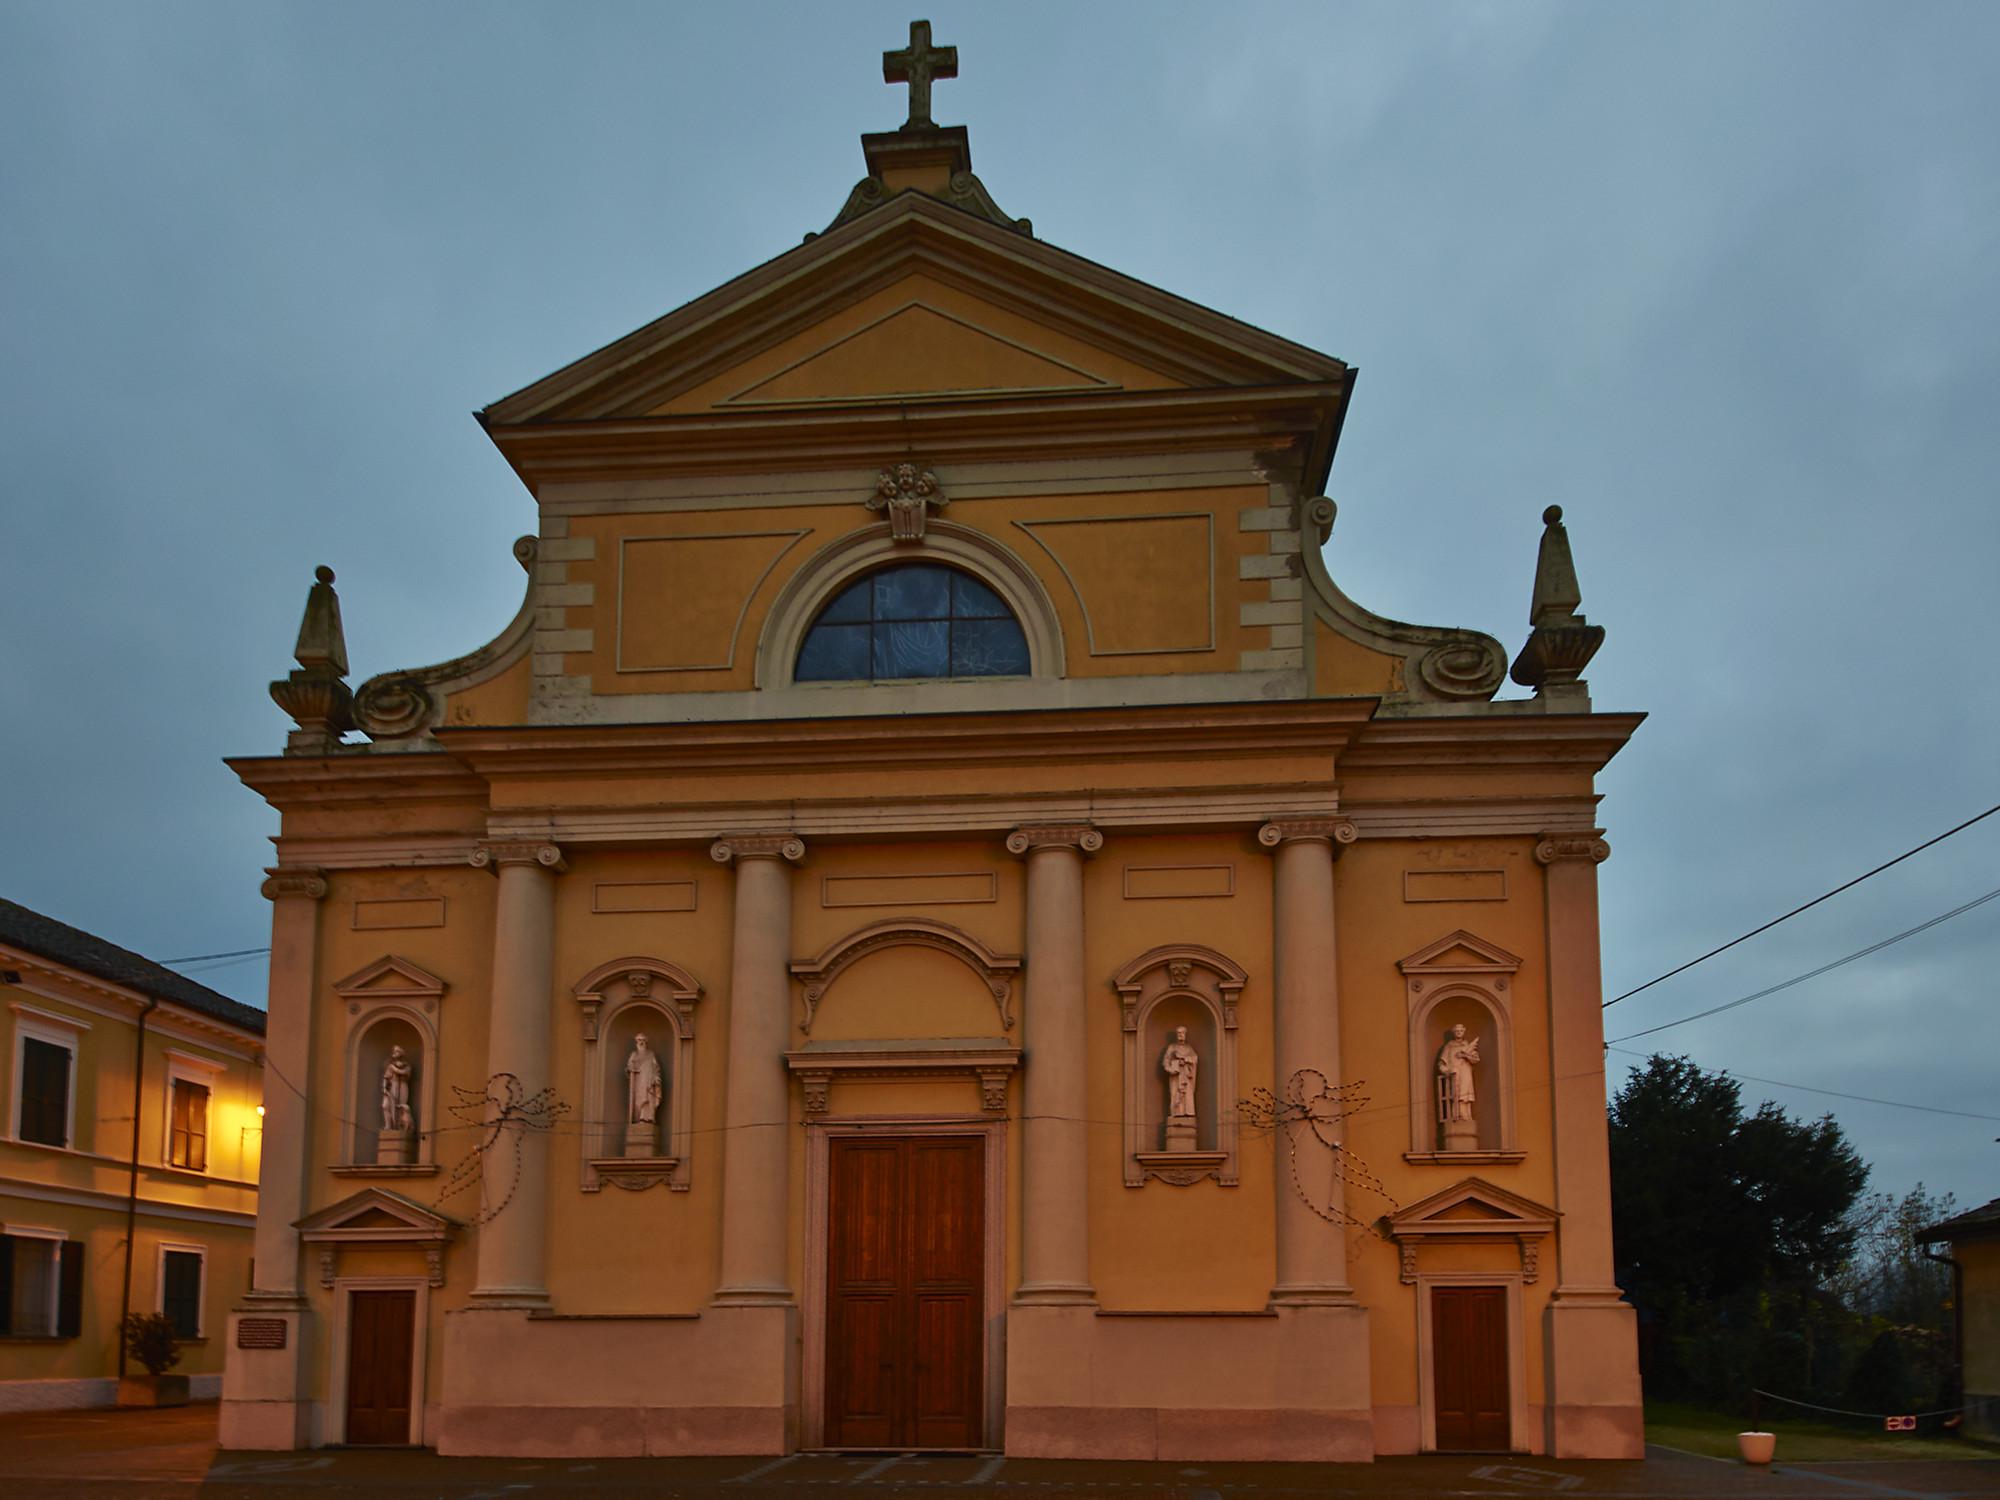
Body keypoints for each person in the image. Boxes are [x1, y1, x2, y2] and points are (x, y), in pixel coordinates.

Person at [1435, 1023, 1481, 1122]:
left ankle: (1467, 1115)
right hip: (1454, 1074)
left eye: (1460, 1031)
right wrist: (1447, 1071)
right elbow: (1441, 1064)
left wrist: (1465, 1055)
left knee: (1465, 1095)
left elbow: (1476, 1059)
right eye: (1457, 1031)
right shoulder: (1449, 1046)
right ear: (1454, 1032)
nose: (1459, 1033)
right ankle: (1457, 1115)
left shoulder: (1467, 1045)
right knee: (1456, 1094)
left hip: (1466, 1073)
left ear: (1463, 1032)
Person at [1162, 1025, 1199, 1118]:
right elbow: (1166, 1061)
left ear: (1185, 1034)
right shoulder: (1172, 1047)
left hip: (1186, 1076)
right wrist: (1171, 1069)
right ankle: (1176, 1113)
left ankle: (1188, 1112)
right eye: (1179, 1033)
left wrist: (1185, 1059)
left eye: (1182, 1033)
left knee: (1188, 1095)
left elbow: (1195, 1059)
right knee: (1175, 1093)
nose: (1180, 1035)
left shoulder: (1189, 1048)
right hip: (1176, 1076)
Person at [627, 1034, 663, 1125]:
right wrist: (631, 1069)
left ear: (646, 1042)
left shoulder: (651, 1054)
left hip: (649, 1082)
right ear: (636, 1042)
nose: (641, 1042)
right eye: (639, 1040)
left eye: (643, 1040)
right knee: (639, 1100)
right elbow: (629, 1067)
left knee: (649, 1098)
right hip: (638, 1082)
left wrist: (656, 1078)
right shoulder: (634, 1055)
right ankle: (639, 1117)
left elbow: (656, 1068)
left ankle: (649, 1118)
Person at [380, 1044, 413, 1132]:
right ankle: (389, 1126)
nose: (394, 1053)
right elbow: (386, 1077)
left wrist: (393, 1068)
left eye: (397, 1051)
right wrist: (384, 1088)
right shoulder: (390, 1066)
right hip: (392, 1086)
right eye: (394, 1051)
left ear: (401, 1053)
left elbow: (404, 1072)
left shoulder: (406, 1066)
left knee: (400, 1106)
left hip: (402, 1086)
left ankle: (400, 1126)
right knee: (386, 1106)